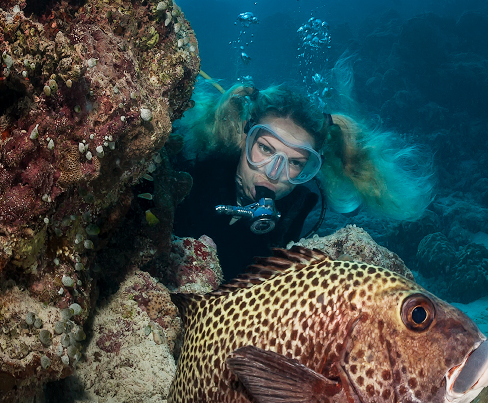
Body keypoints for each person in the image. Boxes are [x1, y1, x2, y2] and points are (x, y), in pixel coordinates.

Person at [171, 80, 433, 281]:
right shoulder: (193, 166)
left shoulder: (297, 212)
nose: (273, 172)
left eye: (295, 163)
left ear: (309, 168)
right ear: (244, 136)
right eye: (265, 149)